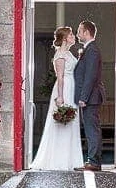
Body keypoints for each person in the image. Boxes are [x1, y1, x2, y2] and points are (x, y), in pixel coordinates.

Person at [28, 26, 84, 171]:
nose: (73, 37)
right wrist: (60, 96)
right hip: (64, 88)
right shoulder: (60, 55)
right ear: (65, 38)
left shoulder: (69, 53)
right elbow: (60, 77)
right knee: (63, 121)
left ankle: (71, 159)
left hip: (71, 87)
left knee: (71, 122)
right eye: (71, 35)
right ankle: (60, 159)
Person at [72, 19, 105, 171]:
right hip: (90, 97)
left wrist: (83, 97)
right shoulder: (88, 49)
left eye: (79, 31)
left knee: (92, 129)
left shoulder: (92, 50)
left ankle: (94, 162)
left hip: (90, 98)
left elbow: (90, 77)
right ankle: (92, 160)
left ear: (86, 32)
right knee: (91, 128)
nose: (77, 33)